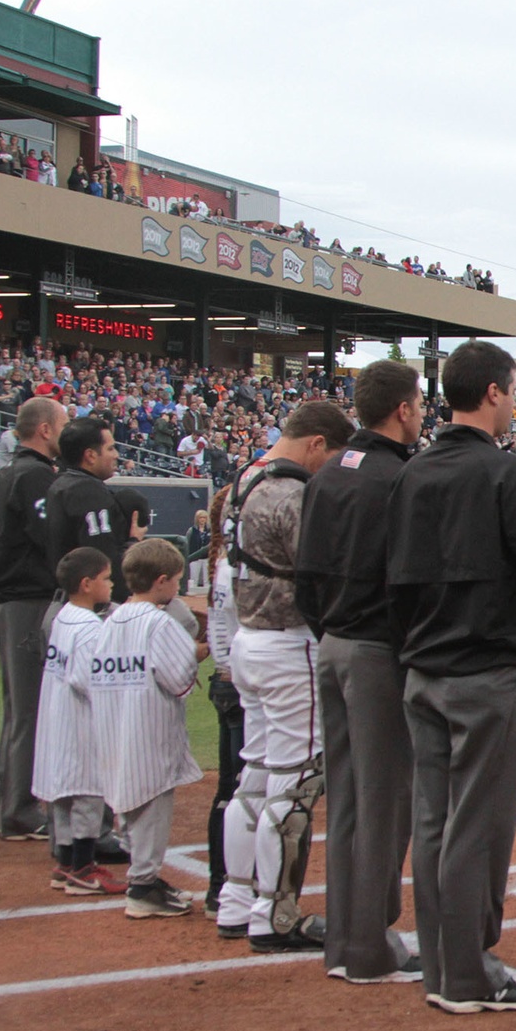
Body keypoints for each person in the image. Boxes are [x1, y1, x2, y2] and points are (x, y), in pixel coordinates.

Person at [386, 341, 516, 1013]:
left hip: (423, 666)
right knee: (477, 824)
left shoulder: (411, 472)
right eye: (515, 389)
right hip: (491, 668)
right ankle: (468, 974)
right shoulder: (507, 473)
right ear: (492, 392)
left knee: (434, 820)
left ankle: (441, 966)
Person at [295, 361, 423, 985]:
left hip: (333, 644)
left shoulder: (328, 475)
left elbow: (306, 577)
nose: (422, 413)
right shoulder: (401, 478)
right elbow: (409, 580)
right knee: (384, 799)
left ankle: (344, 938)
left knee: (345, 797)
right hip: (377, 651)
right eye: (419, 404)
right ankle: (369, 944)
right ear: (402, 409)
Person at [220, 401, 352, 952]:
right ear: (317, 443)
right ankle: (274, 913)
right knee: (296, 780)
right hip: (286, 641)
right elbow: (319, 572)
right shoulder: (290, 493)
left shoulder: (243, 481)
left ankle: (235, 898)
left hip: (247, 639)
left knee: (254, 774)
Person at [91, 538, 203, 919]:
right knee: (152, 803)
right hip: (150, 726)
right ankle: (142, 885)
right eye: (175, 580)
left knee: (130, 802)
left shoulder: (110, 618)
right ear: (160, 581)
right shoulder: (159, 623)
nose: (177, 587)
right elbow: (178, 680)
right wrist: (197, 654)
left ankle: (145, 879)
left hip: (113, 723)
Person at [0, 396, 68, 840]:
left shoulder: (6, 473)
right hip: (27, 598)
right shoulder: (35, 476)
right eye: (61, 424)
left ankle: (10, 800)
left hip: (9, 596)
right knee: (28, 709)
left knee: (16, 710)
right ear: (44, 430)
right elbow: (49, 539)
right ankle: (20, 808)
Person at [34, 547, 120, 894]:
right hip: (81, 722)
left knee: (65, 797)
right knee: (87, 794)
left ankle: (66, 864)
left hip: (58, 718)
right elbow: (86, 680)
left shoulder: (64, 616)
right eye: (106, 578)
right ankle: (83, 869)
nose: (111, 584)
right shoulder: (88, 626)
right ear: (87, 584)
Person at [202, 484, 245, 917]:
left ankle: (220, 884)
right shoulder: (233, 565)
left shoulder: (219, 561)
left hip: (223, 676)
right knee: (242, 790)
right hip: (238, 681)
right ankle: (229, 885)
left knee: (228, 789)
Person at [43, 416, 131, 601]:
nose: (116, 455)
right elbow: (103, 561)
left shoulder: (60, 484)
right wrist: (133, 540)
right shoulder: (88, 491)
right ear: (90, 455)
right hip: (92, 607)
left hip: (65, 601)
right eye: (110, 448)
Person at [183, 509, 211, 594]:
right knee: (194, 577)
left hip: (207, 558)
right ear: (197, 519)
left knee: (207, 579)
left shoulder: (209, 531)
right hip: (195, 557)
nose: (202, 520)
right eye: (200, 518)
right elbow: (186, 542)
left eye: (204, 518)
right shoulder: (191, 530)